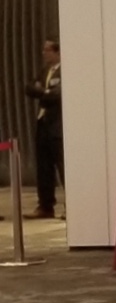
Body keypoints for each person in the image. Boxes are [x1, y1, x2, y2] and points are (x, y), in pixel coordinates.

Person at [24, 38, 61, 217]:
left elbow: (57, 95)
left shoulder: (65, 70)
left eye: (47, 50)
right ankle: (45, 206)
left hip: (57, 125)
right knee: (44, 167)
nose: (44, 53)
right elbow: (30, 88)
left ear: (57, 52)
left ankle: (72, 207)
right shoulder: (45, 71)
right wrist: (45, 92)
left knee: (62, 166)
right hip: (43, 123)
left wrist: (43, 92)